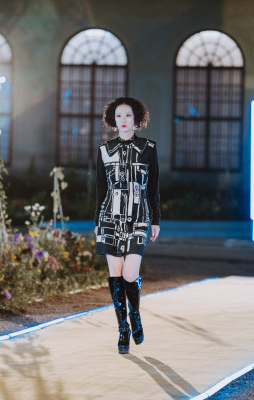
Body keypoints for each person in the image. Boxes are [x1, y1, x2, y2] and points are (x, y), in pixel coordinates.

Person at [94, 97, 161, 354]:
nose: (123, 120)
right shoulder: (104, 149)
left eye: (128, 116)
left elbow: (153, 186)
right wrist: (97, 222)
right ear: (113, 119)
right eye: (119, 116)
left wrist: (156, 219)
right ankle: (123, 329)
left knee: (130, 274)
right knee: (116, 274)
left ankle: (135, 315)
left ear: (136, 119)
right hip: (109, 216)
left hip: (139, 216)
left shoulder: (149, 148)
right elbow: (101, 188)